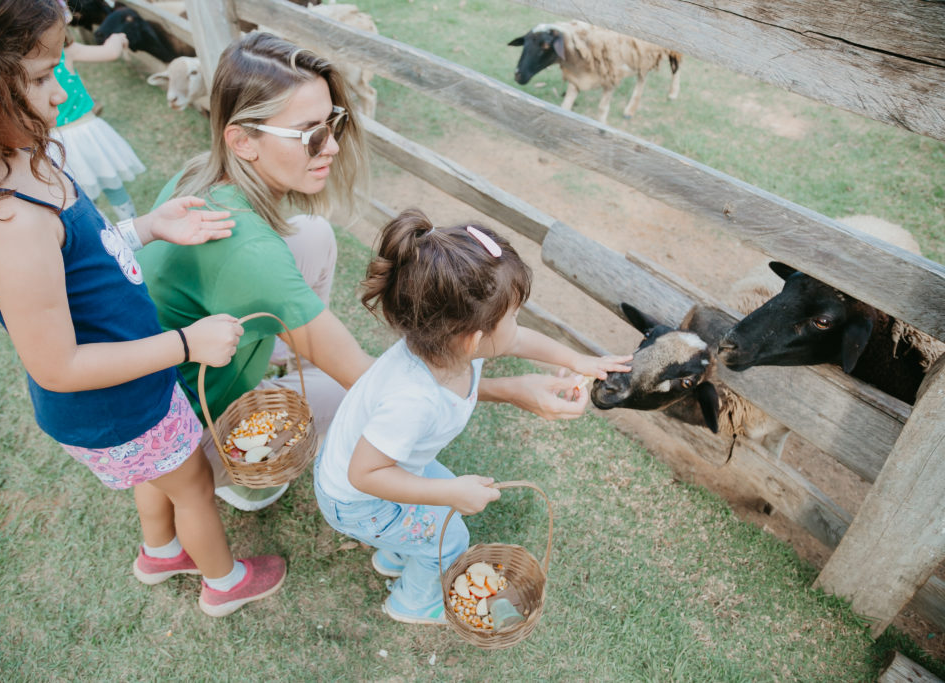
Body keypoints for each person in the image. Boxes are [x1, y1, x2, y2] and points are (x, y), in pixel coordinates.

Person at [138, 32, 621, 514]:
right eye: (310, 134)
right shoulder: (253, 256)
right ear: (243, 140)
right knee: (370, 396)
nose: (330, 146)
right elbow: (375, 384)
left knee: (311, 233)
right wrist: (507, 391)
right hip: (191, 431)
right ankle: (229, 464)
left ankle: (293, 364)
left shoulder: (201, 174)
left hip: (163, 390)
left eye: (334, 123)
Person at [0, 0, 284, 617]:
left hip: (132, 385)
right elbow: (57, 366)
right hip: (114, 398)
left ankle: (160, 550)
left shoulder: (20, 160)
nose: (60, 94)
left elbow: (84, 259)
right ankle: (225, 583)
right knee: (191, 481)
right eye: (39, 78)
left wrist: (147, 226)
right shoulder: (7, 223)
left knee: (158, 471)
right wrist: (187, 346)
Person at [312, 209, 632, 624]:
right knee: (451, 538)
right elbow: (365, 474)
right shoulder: (413, 399)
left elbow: (518, 342)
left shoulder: (447, 346)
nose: (518, 326)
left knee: (441, 511)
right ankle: (412, 603)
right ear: (474, 339)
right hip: (357, 500)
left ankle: (397, 550)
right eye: (513, 316)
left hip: (380, 476)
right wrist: (451, 493)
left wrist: (578, 360)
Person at [51, 1, 146, 221]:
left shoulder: (22, 64)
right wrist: (117, 38)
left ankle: (99, 236)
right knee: (113, 186)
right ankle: (131, 229)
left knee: (79, 197)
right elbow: (109, 53)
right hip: (87, 133)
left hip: (54, 144)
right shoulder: (66, 51)